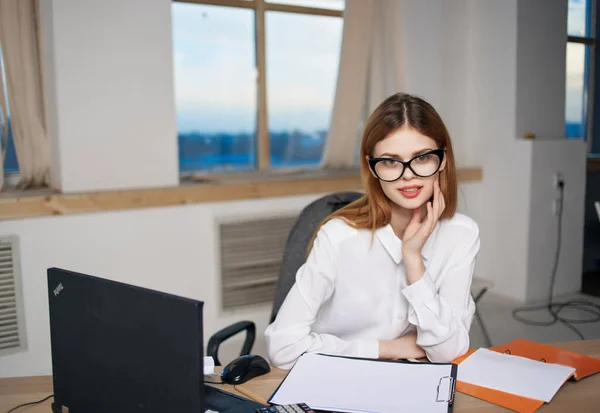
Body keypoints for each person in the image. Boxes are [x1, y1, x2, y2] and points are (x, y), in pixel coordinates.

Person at [264, 92, 480, 370]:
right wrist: (385, 349)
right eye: (390, 161)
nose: (408, 174)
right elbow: (283, 348)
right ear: (372, 167)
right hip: (335, 379)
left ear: (443, 159)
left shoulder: (460, 234)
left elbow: (447, 351)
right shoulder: (339, 237)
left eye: (422, 157)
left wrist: (413, 260)